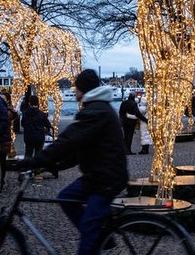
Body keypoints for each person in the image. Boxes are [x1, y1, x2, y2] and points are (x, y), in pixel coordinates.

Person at [18, 69, 128, 254]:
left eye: (76, 87)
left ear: (84, 90)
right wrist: (53, 164)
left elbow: (69, 140)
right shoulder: (97, 108)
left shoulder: (96, 111)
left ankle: (95, 236)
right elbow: (79, 149)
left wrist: (35, 161)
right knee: (66, 197)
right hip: (97, 175)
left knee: (88, 232)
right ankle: (101, 235)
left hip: (105, 179)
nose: (74, 91)